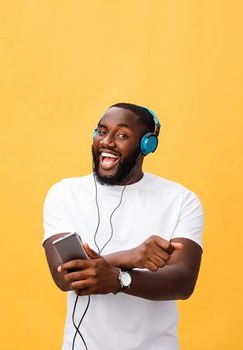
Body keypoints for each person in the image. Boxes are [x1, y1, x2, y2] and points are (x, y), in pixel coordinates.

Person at [41, 103, 204, 350]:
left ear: (146, 145)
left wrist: (120, 280)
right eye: (101, 131)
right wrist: (131, 257)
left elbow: (183, 282)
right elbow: (65, 277)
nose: (106, 142)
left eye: (122, 135)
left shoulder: (181, 200)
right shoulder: (64, 193)